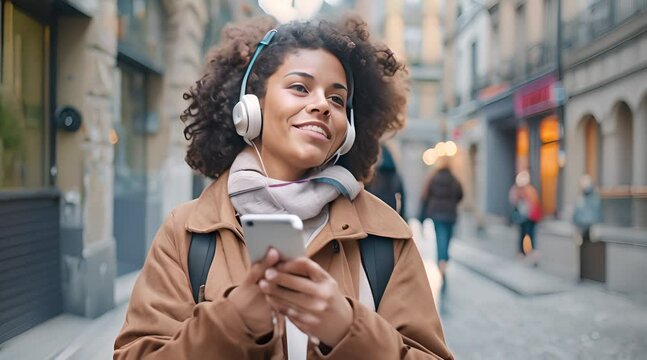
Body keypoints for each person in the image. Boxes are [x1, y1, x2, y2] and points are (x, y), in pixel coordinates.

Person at [114, 15, 453, 359]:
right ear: (250, 107)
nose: (322, 104)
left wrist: (348, 329)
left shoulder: (386, 236)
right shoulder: (185, 232)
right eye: (300, 88)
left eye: (337, 100)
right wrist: (233, 323)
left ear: (348, 130)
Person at [418, 158, 463, 286]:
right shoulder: (454, 179)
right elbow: (460, 194)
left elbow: (425, 196)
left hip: (437, 213)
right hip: (450, 213)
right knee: (447, 238)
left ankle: (441, 261)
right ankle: (444, 260)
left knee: (440, 238)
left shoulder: (433, 178)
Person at [573, 174, 604, 281]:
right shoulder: (581, 196)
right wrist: (576, 223)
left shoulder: (593, 196)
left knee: (591, 250)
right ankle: (582, 275)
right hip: (581, 227)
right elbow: (577, 211)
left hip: (590, 227)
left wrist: (596, 224)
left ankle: (591, 275)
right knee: (581, 251)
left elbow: (595, 211)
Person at [365, 144, 406, 217]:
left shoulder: (370, 176)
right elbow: (402, 203)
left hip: (372, 217)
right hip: (391, 218)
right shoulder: (396, 177)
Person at [508, 170, 542, 257]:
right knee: (524, 234)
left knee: (529, 234)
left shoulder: (530, 190)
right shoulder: (517, 190)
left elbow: (534, 202)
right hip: (523, 217)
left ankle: (530, 251)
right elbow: (513, 200)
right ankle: (523, 251)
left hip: (530, 217)